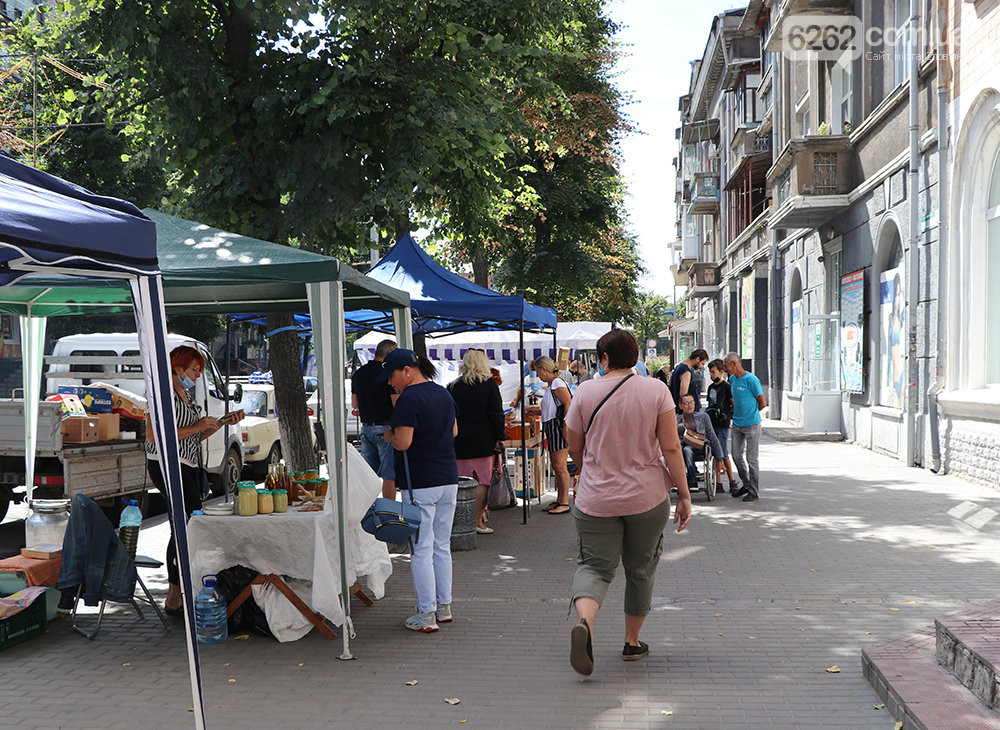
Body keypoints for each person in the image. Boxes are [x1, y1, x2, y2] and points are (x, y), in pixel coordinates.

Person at [563, 329, 691, 675]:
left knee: (594, 567)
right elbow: (671, 448)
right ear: (635, 357)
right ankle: (632, 644)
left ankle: (585, 624)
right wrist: (684, 493)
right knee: (641, 568)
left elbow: (573, 445)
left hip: (595, 499)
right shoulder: (656, 390)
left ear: (603, 358)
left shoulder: (586, 391)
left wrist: (589, 464)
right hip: (646, 498)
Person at [144, 345, 239, 616]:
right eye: (195, 370)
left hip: (187, 465)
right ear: (178, 368)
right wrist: (198, 426)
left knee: (188, 525)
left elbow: (192, 438)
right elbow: (153, 436)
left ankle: (180, 591)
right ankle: (175, 594)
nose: (198, 376)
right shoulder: (161, 394)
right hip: (167, 466)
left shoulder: (184, 394)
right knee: (184, 526)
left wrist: (217, 423)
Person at [379, 348, 459, 633]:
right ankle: (444, 607)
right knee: (441, 546)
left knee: (421, 548)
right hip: (449, 478)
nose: (390, 382)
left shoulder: (408, 399)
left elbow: (404, 442)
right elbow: (453, 432)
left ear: (407, 372)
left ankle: (426, 614)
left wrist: (389, 435)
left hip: (421, 482)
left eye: (392, 375)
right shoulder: (443, 393)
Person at [447, 349, 505, 535]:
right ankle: (477, 521)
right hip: (483, 438)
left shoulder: (453, 385)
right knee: (482, 480)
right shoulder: (488, 384)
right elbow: (496, 413)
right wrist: (500, 436)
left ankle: (459, 521)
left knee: (460, 480)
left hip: (459, 439)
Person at [352, 339, 397, 498]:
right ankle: (388, 512)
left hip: (366, 427)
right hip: (385, 427)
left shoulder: (359, 373)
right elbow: (395, 402)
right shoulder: (388, 374)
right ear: (389, 354)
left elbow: (354, 404)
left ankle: (368, 512)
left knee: (368, 475)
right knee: (389, 475)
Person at [723, 352, 767, 502]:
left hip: (752, 425)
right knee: (736, 455)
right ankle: (747, 484)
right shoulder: (733, 379)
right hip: (737, 424)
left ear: (734, 364)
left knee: (752, 459)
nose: (725, 369)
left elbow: (762, 402)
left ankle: (754, 491)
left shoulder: (751, 380)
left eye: (726, 366)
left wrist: (751, 414)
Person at [532, 356, 573, 515]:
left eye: (538, 372)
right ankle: (559, 500)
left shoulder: (556, 383)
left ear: (544, 369)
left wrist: (565, 426)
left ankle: (564, 502)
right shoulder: (552, 385)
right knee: (557, 466)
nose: (539, 376)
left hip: (557, 426)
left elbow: (568, 403)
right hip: (553, 426)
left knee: (560, 466)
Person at [675, 394, 723, 491]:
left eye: (691, 402)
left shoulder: (702, 416)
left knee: (687, 449)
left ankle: (692, 480)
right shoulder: (676, 418)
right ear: (680, 406)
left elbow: (712, 436)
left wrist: (720, 457)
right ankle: (679, 479)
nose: (689, 405)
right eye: (686, 403)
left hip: (697, 446)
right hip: (680, 447)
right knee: (679, 446)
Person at [705, 359, 735, 490]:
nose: (711, 375)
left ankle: (732, 481)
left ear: (721, 372)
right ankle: (718, 482)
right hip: (711, 423)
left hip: (722, 423)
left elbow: (733, 403)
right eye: (710, 372)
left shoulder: (726, 386)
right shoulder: (711, 387)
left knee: (723, 453)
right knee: (715, 453)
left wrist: (730, 417)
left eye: (713, 372)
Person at [665, 349, 709, 413]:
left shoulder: (678, 368)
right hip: (687, 413)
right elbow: (683, 395)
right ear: (697, 359)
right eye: (702, 363)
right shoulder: (686, 371)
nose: (701, 367)